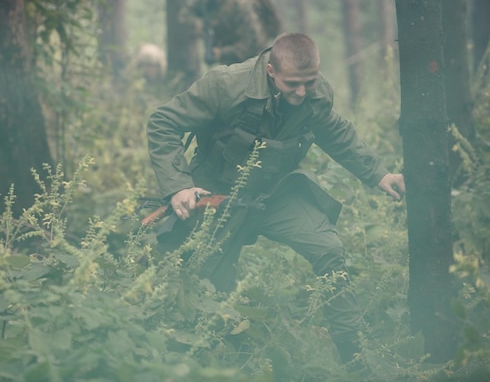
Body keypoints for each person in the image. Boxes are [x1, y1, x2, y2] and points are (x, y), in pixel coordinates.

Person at [146, 33, 406, 367]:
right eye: (293, 84)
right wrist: (179, 186)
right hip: (217, 196)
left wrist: (378, 174)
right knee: (211, 284)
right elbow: (163, 122)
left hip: (273, 195)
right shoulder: (226, 86)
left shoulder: (314, 92)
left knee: (329, 249)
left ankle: (353, 357)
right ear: (271, 71)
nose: (301, 92)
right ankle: (216, 363)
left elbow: (335, 131)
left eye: (308, 83)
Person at [181, 0, 282, 66]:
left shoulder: (242, 4)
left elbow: (252, 46)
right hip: (231, 66)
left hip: (252, 66)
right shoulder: (209, 0)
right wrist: (199, 25)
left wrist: (221, 53)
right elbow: (186, 14)